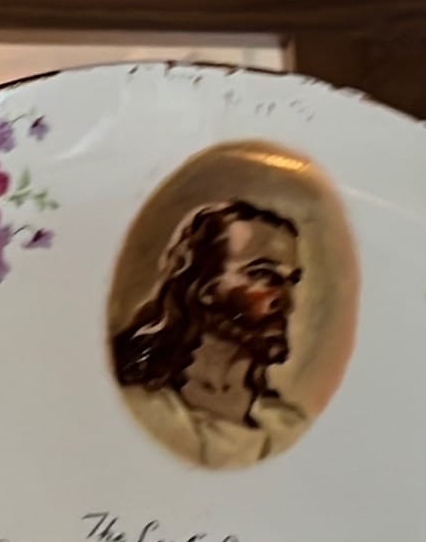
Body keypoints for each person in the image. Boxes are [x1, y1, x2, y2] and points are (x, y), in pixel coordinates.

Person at [110, 198, 309, 468]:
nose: (285, 301)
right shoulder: (136, 406)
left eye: (290, 281)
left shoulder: (288, 425)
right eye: (262, 275)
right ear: (202, 285)